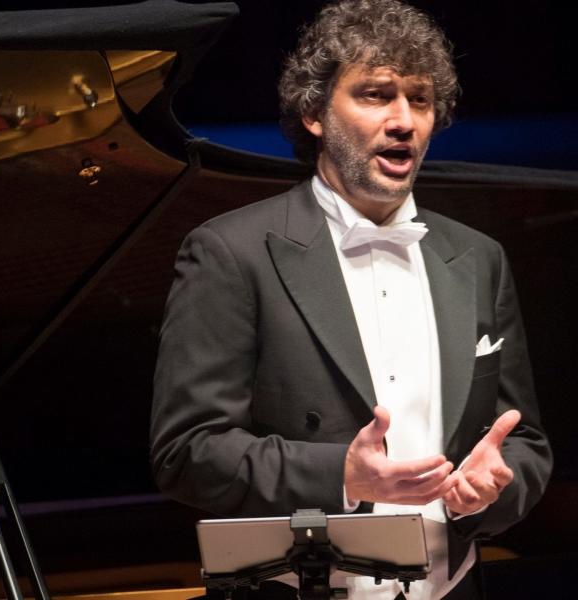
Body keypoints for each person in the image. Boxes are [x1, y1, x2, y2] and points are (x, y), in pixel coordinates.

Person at [151, 1, 553, 597]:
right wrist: (339, 474)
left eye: (419, 99)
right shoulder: (232, 253)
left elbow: (525, 444)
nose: (404, 120)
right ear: (314, 112)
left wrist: (493, 489)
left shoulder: (478, 257)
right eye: (375, 94)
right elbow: (187, 451)